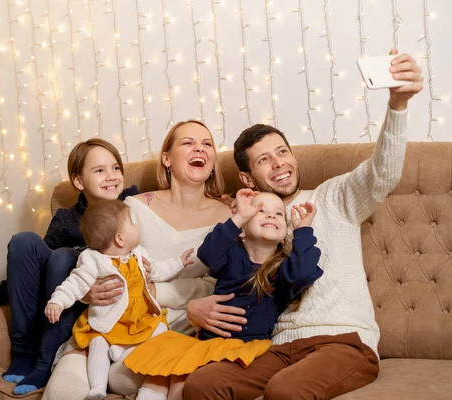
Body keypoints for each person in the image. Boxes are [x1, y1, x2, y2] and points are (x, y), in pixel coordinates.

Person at [184, 50, 423, 400]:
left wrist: (398, 106)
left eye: (282, 152)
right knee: (202, 384)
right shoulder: (251, 221)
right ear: (247, 178)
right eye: (264, 159)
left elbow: (382, 173)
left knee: (285, 391)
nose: (279, 163)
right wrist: (194, 307)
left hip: (342, 340)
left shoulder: (333, 196)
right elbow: (224, 273)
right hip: (277, 347)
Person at [43, 120, 231, 400]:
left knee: (136, 378)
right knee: (62, 392)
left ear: (214, 161)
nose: (199, 149)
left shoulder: (230, 216)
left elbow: (220, 285)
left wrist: (155, 291)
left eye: (207, 144)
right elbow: (99, 262)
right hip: (109, 324)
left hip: (171, 329)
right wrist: (89, 292)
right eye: (188, 142)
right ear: (166, 158)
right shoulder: (133, 206)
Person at [0, 139, 140, 394]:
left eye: (115, 168)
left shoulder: (133, 205)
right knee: (24, 241)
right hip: (55, 298)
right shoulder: (67, 220)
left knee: (64, 257)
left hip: (89, 308)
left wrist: (215, 193)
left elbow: (169, 202)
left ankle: (45, 363)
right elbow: (32, 271)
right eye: (99, 170)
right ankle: (23, 354)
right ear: (78, 181)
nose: (111, 176)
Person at [123, 189, 322, 399]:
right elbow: (208, 252)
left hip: (243, 347)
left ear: (284, 234)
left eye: (279, 213)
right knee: (163, 371)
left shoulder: (282, 269)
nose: (271, 215)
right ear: (242, 231)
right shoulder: (231, 256)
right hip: (205, 342)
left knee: (184, 383)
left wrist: (303, 231)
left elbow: (304, 273)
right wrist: (238, 218)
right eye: (260, 211)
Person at [44, 200, 194, 400]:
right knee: (98, 342)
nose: (137, 226)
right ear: (120, 239)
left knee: (159, 329)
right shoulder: (94, 260)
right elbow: (75, 283)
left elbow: (158, 270)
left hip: (138, 320)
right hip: (109, 323)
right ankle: (97, 386)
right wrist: (58, 301)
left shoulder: (138, 254)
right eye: (132, 223)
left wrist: (179, 263)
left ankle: (122, 351)